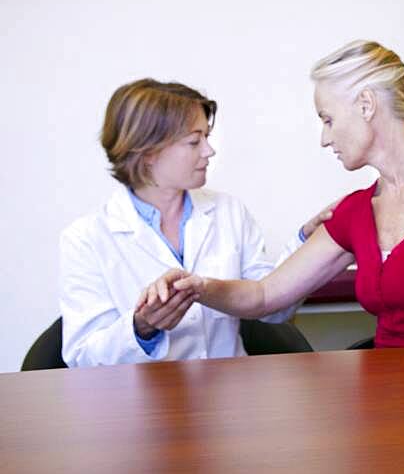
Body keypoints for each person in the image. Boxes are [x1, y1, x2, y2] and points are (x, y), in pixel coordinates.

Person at [161, 40, 404, 347]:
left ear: (366, 104)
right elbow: (264, 295)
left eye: (328, 119)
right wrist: (199, 287)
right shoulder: (355, 211)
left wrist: (398, 375)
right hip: (389, 398)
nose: (325, 138)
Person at [59, 79, 332, 366]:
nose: (208, 151)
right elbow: (83, 358)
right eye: (194, 141)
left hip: (229, 396)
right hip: (142, 405)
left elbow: (270, 306)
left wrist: (305, 243)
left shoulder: (228, 212)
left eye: (207, 137)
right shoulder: (86, 239)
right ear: (148, 152)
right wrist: (142, 328)